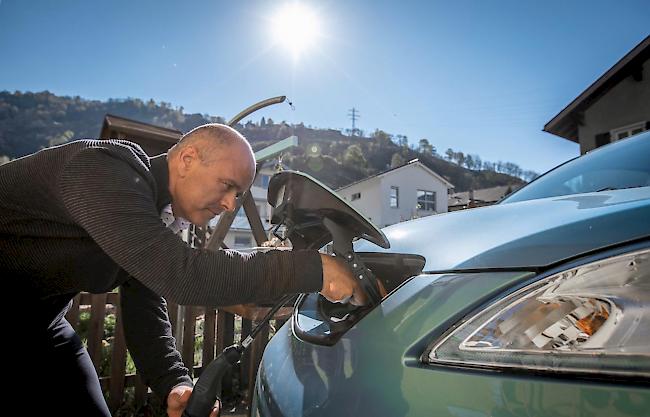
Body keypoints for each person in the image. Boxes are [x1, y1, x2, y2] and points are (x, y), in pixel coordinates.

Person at [1, 124, 365, 417]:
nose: (228, 205)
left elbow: (145, 303)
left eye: (238, 196)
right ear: (188, 159)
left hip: (43, 326)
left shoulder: (160, 217)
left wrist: (173, 381)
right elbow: (182, 274)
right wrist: (311, 269)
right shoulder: (102, 168)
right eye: (228, 186)